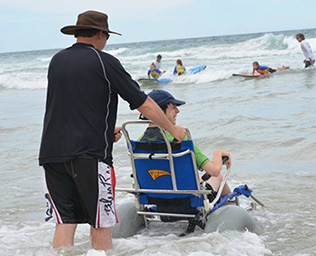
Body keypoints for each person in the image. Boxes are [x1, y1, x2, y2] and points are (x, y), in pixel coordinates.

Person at [38, 10, 186, 251]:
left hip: (51, 155)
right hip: (89, 156)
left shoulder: (57, 61)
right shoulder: (104, 61)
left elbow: (70, 107)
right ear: (100, 34)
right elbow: (145, 103)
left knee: (65, 222)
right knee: (100, 223)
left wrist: (105, 131)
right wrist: (172, 129)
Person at [139, 89, 232, 197]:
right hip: (188, 200)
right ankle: (232, 207)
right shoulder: (181, 138)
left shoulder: (138, 142)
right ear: (159, 110)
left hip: (156, 198)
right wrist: (218, 154)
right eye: (173, 107)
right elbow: (214, 171)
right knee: (218, 177)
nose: (177, 111)